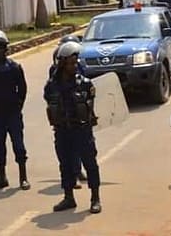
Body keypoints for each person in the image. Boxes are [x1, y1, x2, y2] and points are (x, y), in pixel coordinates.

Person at [44, 41, 102, 213]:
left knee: (90, 163)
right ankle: (68, 197)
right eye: (70, 63)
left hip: (82, 130)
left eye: (75, 62)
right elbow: (49, 103)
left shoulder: (85, 83)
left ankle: (95, 198)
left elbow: (91, 106)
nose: (74, 66)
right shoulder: (51, 86)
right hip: (62, 131)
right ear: (61, 64)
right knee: (65, 165)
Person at [0, 30, 30, 191]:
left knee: (18, 145)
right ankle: (1, 177)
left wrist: (18, 105)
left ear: (5, 49)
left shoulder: (15, 67)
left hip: (13, 112)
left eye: (0, 48)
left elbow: (22, 89)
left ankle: (23, 177)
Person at [49, 35, 88, 188]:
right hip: (63, 116)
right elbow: (52, 94)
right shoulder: (54, 72)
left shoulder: (80, 67)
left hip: (78, 115)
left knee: (78, 147)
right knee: (66, 150)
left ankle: (78, 172)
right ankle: (72, 178)